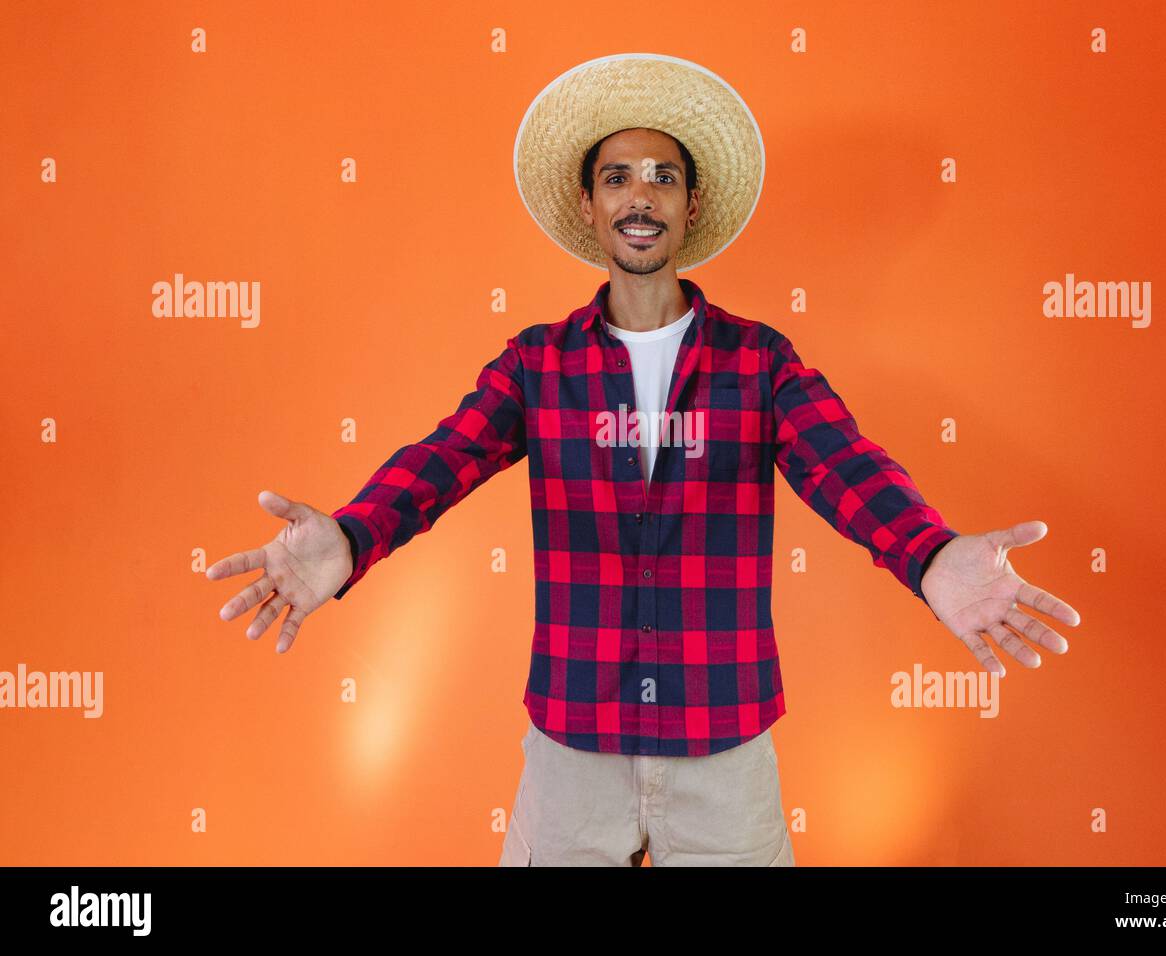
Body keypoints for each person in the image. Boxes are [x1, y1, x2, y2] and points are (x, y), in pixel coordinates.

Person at [206, 53, 1081, 867]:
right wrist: (353, 537)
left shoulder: (759, 359)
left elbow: (844, 465)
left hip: (725, 751)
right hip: (571, 748)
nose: (641, 195)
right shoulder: (537, 363)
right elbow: (446, 459)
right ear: (590, 206)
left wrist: (931, 556)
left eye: (664, 177)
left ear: (690, 208)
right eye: (617, 176)